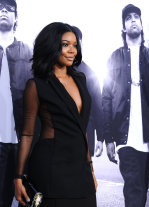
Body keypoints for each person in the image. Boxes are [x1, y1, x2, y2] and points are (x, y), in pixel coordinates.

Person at [14, 22, 97, 207]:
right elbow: (27, 134)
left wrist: (90, 169)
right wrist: (18, 177)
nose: (72, 50)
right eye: (65, 44)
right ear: (52, 46)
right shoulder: (35, 85)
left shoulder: (80, 79)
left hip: (80, 170)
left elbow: (81, 128)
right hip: (50, 170)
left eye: (75, 45)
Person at [102, 4, 149, 207]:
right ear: (123, 27)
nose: (133, 20)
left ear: (141, 24)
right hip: (124, 136)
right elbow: (106, 100)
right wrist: (108, 139)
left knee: (141, 187)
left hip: (147, 137)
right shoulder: (114, 58)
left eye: (136, 17)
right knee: (133, 187)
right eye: (128, 18)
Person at [0, 0, 32, 206]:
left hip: (19, 139)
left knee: (20, 198)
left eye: (9, 9)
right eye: (0, 8)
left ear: (16, 18)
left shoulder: (27, 52)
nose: (3, 11)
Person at [72, 26, 104, 157]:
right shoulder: (54, 72)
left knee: (81, 176)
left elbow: (98, 107)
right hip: (59, 140)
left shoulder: (90, 74)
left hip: (84, 138)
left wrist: (101, 138)